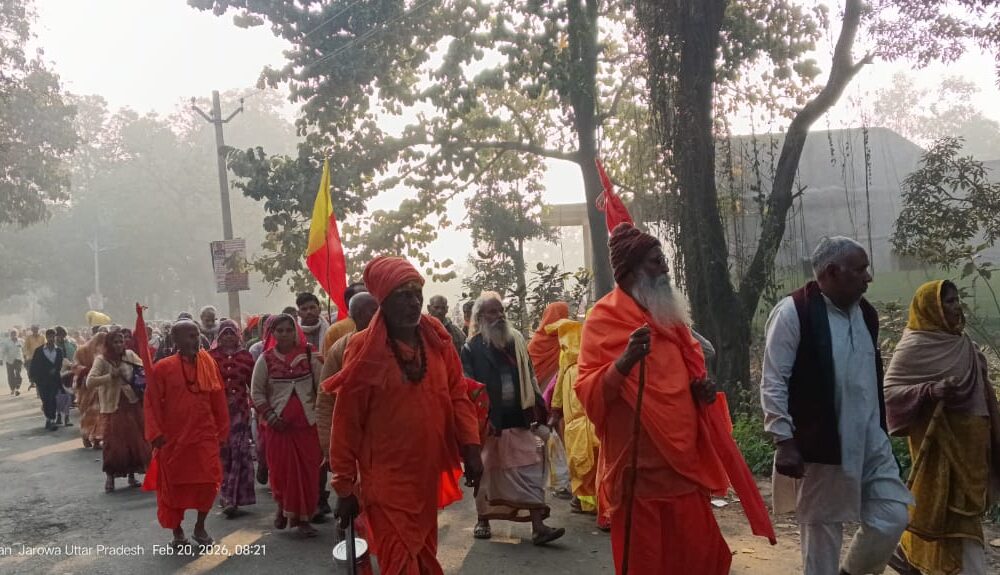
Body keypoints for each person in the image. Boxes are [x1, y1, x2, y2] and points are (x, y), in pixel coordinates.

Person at [575, 223, 738, 574]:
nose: (665, 268)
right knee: (646, 565)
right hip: (638, 474)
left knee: (699, 559)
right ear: (631, 272)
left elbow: (690, 372)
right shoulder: (603, 319)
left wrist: (700, 391)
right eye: (655, 262)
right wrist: (625, 361)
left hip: (683, 468)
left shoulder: (669, 316)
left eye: (662, 259)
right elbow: (587, 392)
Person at [761, 236, 911, 575]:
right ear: (831, 272)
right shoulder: (792, 313)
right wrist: (783, 439)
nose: (868, 277)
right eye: (859, 270)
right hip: (822, 441)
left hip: (870, 439)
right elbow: (773, 379)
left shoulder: (866, 315)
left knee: (893, 515)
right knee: (822, 534)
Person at [325, 256, 483, 574]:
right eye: (403, 296)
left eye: (417, 294)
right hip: (385, 480)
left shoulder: (435, 336)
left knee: (423, 557)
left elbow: (457, 393)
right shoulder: (363, 349)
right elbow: (346, 422)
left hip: (425, 474)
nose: (414, 303)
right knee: (400, 562)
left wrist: (472, 446)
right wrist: (343, 485)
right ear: (383, 301)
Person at [883, 280, 1000, 575]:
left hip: (973, 448)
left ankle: (908, 555)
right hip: (941, 444)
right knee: (955, 516)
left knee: (955, 515)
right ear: (931, 308)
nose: (956, 305)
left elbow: (983, 395)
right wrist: (930, 391)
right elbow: (889, 392)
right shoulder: (915, 346)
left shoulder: (964, 345)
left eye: (956, 299)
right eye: (948, 300)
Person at [462, 292, 565, 545]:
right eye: (492, 312)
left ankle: (539, 527)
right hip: (490, 422)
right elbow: (468, 388)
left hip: (519, 417)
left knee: (529, 468)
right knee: (485, 473)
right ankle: (482, 520)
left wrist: (538, 410)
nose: (499, 316)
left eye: (501, 311)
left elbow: (530, 377)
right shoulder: (470, 348)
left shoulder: (517, 341)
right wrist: (482, 419)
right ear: (479, 317)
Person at [145, 321, 229, 548]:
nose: (195, 340)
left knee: (209, 482)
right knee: (173, 488)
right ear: (175, 341)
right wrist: (155, 432)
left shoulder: (208, 363)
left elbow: (218, 399)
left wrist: (222, 430)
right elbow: (151, 403)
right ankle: (177, 531)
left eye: (197, 335)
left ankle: (200, 528)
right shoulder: (163, 368)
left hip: (204, 435)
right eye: (190, 336)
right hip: (173, 439)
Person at [251, 313, 323, 537]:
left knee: (309, 473)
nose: (284, 334)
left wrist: (321, 415)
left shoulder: (309, 354)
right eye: (279, 330)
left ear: (296, 331)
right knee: (282, 472)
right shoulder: (265, 359)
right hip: (278, 429)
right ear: (272, 333)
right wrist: (271, 416)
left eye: (288, 330)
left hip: (307, 427)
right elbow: (256, 392)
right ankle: (284, 508)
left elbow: (323, 387)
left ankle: (303, 519)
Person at [316, 292, 378, 524]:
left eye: (377, 308)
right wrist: (327, 447)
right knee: (354, 511)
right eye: (369, 311)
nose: (375, 315)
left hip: (387, 446)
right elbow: (325, 402)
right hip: (353, 442)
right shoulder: (340, 349)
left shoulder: (395, 344)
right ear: (356, 315)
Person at [546, 315, 603, 522]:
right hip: (578, 421)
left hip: (585, 420)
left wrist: (555, 410)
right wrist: (555, 410)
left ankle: (592, 503)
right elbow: (559, 386)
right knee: (582, 459)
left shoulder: (582, 361)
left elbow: (559, 387)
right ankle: (585, 501)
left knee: (588, 459)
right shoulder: (574, 362)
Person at [87, 329, 150, 492]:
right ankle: (110, 477)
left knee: (135, 441)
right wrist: (110, 376)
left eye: (121, 341)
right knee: (113, 444)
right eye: (115, 342)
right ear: (108, 344)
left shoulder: (130, 355)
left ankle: (132, 476)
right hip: (112, 408)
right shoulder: (101, 360)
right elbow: (90, 382)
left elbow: (144, 370)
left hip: (131, 404)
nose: (119, 345)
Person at [208, 319, 257, 519]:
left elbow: (253, 384)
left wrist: (256, 406)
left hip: (240, 412)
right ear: (218, 337)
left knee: (239, 452)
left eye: (231, 333)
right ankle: (226, 494)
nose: (228, 337)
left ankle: (232, 498)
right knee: (224, 454)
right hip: (217, 414)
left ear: (237, 335)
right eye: (224, 333)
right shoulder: (210, 358)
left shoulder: (246, 357)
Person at [74, 331, 108, 449]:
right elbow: (75, 367)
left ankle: (98, 439)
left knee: (101, 414)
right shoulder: (82, 351)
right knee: (88, 414)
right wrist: (87, 371)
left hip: (102, 388)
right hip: (87, 389)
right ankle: (86, 436)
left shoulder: (107, 351)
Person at [29, 329, 65, 431]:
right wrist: (32, 379)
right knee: (45, 400)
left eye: (53, 337)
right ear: (46, 337)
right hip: (42, 380)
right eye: (50, 337)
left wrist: (55, 369)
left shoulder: (59, 350)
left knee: (52, 399)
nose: (52, 339)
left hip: (54, 380)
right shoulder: (39, 350)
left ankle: (52, 420)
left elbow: (59, 364)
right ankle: (48, 418)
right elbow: (34, 365)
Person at [320, 283, 368, 356]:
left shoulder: (382, 322)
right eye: (363, 294)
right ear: (349, 301)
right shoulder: (334, 331)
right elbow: (330, 364)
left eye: (370, 293)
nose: (369, 297)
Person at [1, 330, 24, 396]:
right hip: (9, 360)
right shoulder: (6, 342)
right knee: (10, 375)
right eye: (12, 334)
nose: (14, 335)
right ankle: (12, 389)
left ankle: (17, 388)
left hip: (18, 359)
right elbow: (3, 351)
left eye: (15, 333)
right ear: (10, 335)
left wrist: (26, 357)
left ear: (17, 334)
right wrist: (1, 359)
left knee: (18, 373)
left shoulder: (21, 341)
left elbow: (24, 349)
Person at [23, 325, 45, 392]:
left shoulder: (42, 337)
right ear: (32, 330)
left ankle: (39, 390)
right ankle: (32, 382)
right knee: (31, 372)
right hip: (31, 358)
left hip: (41, 358)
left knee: (40, 374)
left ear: (38, 329)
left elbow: (45, 345)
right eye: (34, 329)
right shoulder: (28, 338)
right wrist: (26, 355)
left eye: (36, 329)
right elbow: (25, 347)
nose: (35, 331)